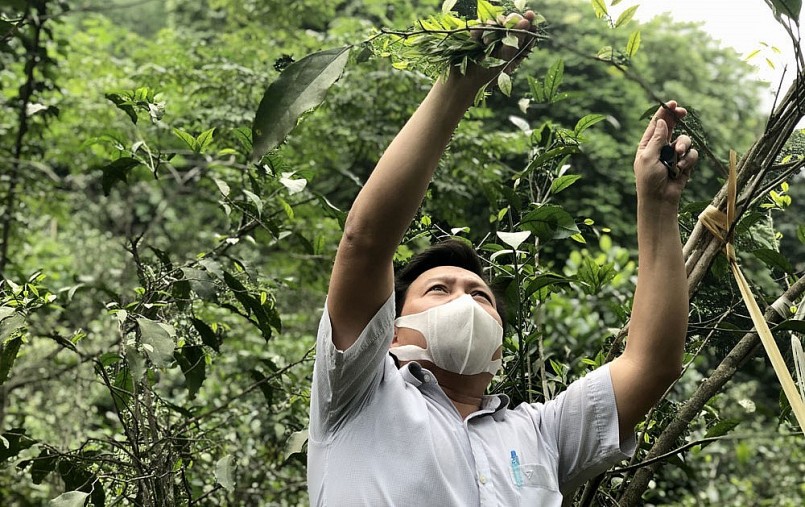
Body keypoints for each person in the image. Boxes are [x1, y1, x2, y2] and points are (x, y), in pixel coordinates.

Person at [307, 10, 698, 506]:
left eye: (481, 295)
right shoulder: (357, 394)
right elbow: (366, 240)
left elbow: (652, 363)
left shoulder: (540, 433)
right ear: (391, 328)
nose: (466, 302)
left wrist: (659, 206)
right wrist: (464, 81)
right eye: (439, 289)